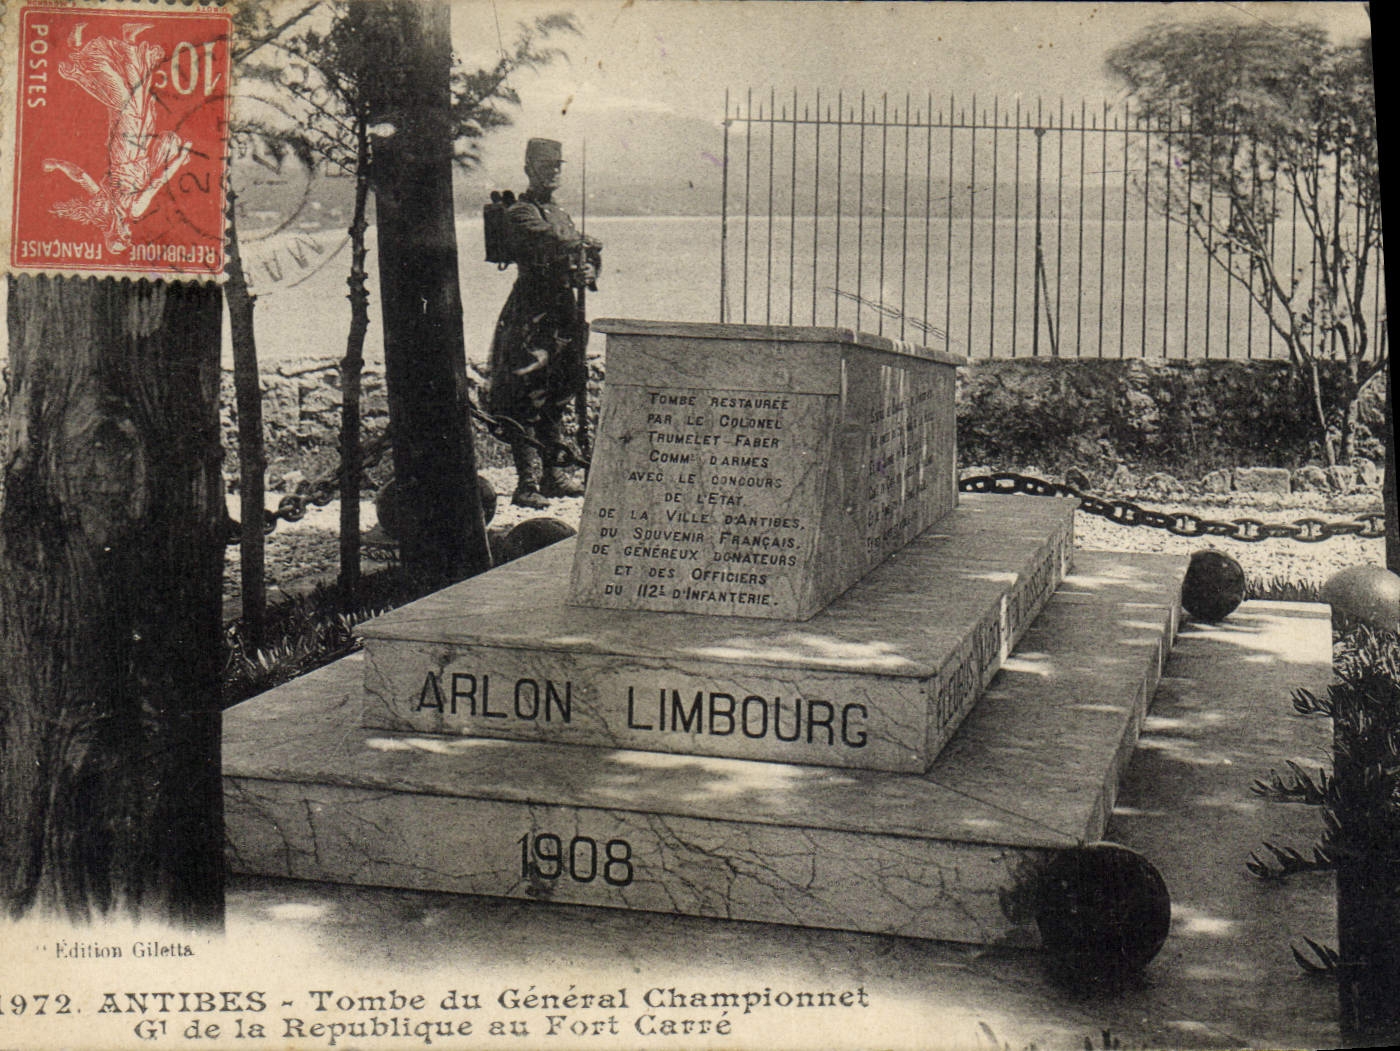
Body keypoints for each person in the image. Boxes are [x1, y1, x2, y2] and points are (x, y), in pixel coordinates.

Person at [486, 138, 601, 508]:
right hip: (532, 313)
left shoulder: (560, 213)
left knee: (561, 388)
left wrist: (588, 268)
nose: (553, 171)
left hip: (564, 312)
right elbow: (551, 239)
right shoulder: (520, 212)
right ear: (528, 169)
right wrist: (584, 244)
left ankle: (553, 474)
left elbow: (582, 252)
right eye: (545, 165)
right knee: (527, 391)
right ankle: (527, 482)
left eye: (557, 165)